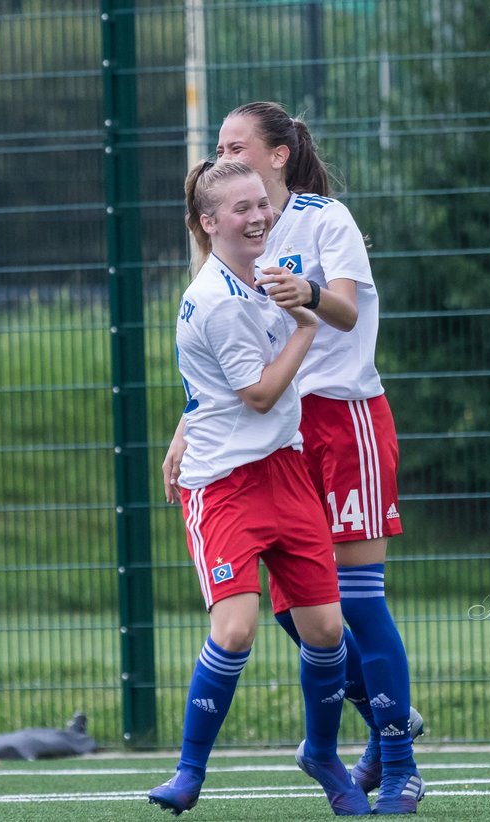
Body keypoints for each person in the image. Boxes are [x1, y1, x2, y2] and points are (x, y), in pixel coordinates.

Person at [163, 102, 424, 813]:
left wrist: (305, 295)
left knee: (359, 605)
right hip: (275, 437)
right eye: (218, 148)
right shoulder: (235, 244)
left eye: (237, 144)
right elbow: (224, 365)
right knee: (303, 610)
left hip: (343, 420)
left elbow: (342, 310)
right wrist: (188, 424)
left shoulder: (321, 219)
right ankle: (365, 724)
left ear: (278, 155)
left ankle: (397, 759)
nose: (224, 155)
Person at [148, 160, 369, 817]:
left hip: (286, 469)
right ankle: (189, 771)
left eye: (259, 204)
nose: (257, 217)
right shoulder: (215, 299)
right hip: (223, 486)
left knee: (326, 630)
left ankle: (323, 755)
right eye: (239, 210)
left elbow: (345, 315)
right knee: (237, 629)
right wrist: (305, 321)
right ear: (209, 225)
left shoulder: (268, 273)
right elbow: (260, 391)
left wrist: (306, 298)